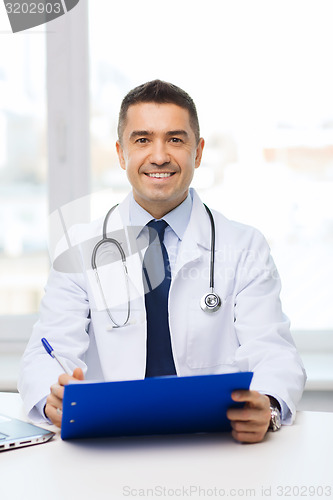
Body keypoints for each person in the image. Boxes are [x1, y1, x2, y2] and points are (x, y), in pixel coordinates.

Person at [18, 80, 306, 443]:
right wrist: (51, 399)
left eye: (175, 139)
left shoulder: (244, 245)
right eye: (142, 140)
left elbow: (273, 350)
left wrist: (267, 404)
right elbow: (47, 350)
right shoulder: (80, 247)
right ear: (121, 154)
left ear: (197, 152)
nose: (159, 156)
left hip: (214, 442)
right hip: (110, 443)